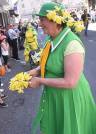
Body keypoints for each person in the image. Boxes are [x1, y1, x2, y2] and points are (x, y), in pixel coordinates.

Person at [28, 2, 96, 134]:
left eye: (42, 19)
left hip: (70, 99)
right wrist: (36, 71)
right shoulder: (51, 39)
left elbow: (70, 82)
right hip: (55, 96)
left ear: (55, 20)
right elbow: (48, 62)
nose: (39, 24)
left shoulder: (72, 43)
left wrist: (40, 80)